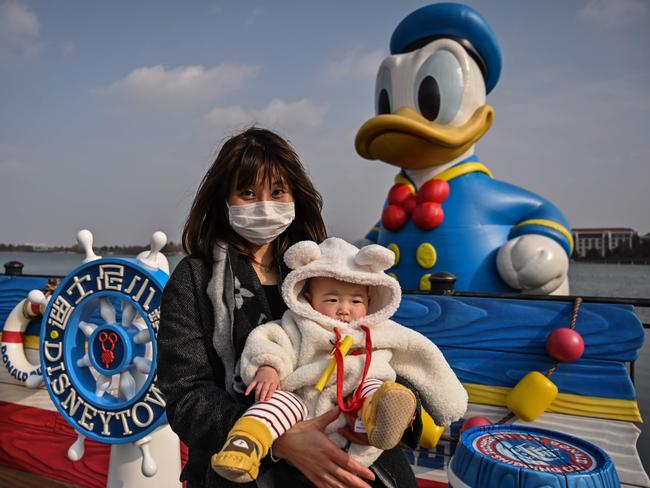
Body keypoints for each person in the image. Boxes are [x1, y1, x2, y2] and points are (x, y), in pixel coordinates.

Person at [157, 127, 423, 488]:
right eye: (247, 192)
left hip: (352, 455)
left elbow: (381, 343)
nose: (264, 204)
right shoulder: (194, 277)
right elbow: (186, 396)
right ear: (224, 199)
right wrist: (279, 440)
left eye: (277, 191)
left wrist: (393, 411)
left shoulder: (322, 269)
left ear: (295, 196)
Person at [211, 237, 468, 483]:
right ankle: (244, 446)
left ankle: (384, 415)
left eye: (355, 300)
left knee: (377, 389)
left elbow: (420, 353)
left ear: (370, 299)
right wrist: (268, 366)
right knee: (275, 402)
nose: (344, 308)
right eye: (332, 299)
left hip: (357, 403)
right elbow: (270, 338)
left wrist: (448, 402)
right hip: (302, 402)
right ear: (308, 298)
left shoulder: (380, 330)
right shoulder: (299, 323)